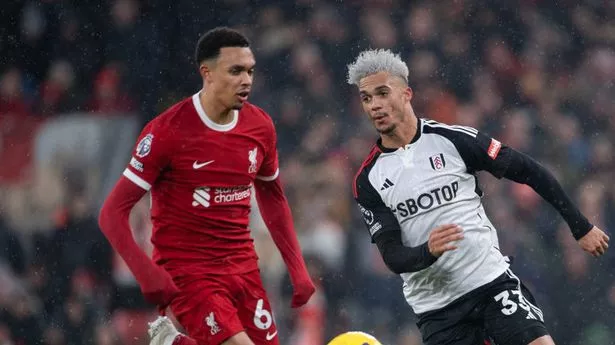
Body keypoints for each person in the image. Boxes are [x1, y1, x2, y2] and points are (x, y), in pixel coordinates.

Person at [347, 49, 610, 345]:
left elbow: (529, 170)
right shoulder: (368, 180)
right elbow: (392, 255)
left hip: (490, 284)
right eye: (367, 98)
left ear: (407, 93)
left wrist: (580, 226)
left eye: (383, 93)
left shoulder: (454, 140)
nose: (375, 106)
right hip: (438, 310)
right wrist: (428, 251)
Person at [98, 27, 315, 345]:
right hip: (188, 270)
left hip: (243, 265)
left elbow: (273, 196)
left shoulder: (260, 126)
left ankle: (173, 343)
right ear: (207, 73)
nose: (247, 80)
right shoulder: (167, 132)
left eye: (250, 71)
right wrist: (146, 272)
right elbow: (111, 213)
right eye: (236, 71)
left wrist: (298, 269)